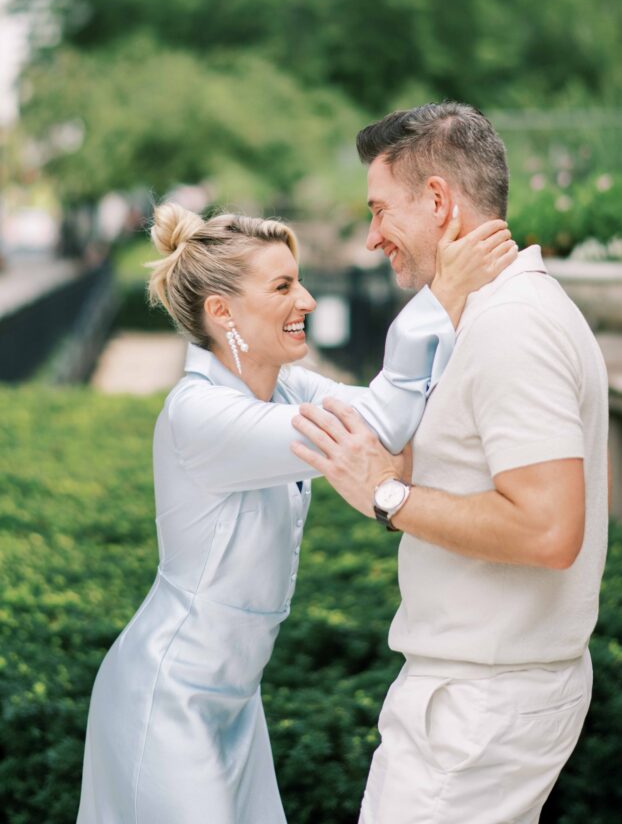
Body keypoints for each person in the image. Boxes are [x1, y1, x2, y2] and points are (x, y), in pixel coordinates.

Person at [76, 200, 516, 824]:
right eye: (283, 286)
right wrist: (441, 296)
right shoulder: (197, 413)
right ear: (221, 311)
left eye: (299, 280)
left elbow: (393, 420)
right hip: (168, 698)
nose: (307, 299)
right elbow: (377, 421)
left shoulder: (289, 386)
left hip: (234, 701)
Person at [293, 101, 610, 824]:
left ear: (437, 201)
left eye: (380, 210)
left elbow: (547, 530)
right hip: (476, 697)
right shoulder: (482, 315)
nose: (372, 238)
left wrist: (387, 496)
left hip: (479, 708)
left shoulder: (510, 326)